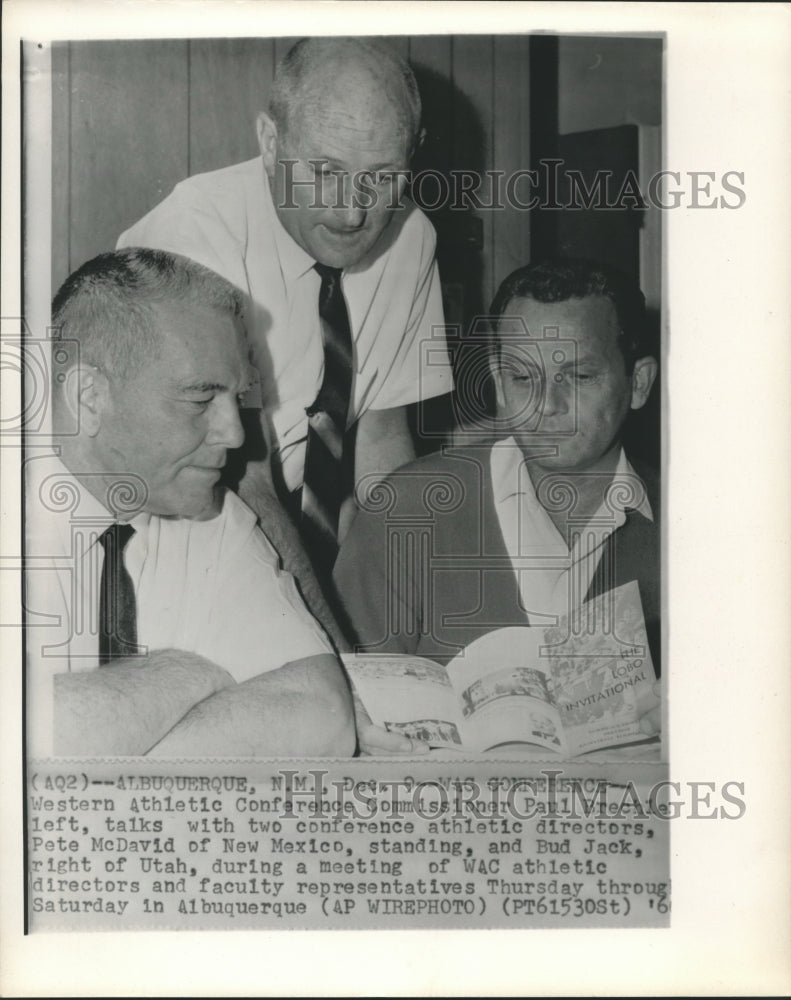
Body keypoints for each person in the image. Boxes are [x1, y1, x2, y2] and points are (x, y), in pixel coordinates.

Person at [117, 36, 453, 614]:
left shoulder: (412, 237)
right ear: (271, 142)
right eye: (324, 171)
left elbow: (383, 437)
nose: (353, 214)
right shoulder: (192, 236)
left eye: (381, 177)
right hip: (171, 535)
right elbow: (241, 477)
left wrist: (407, 614)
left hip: (296, 529)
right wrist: (335, 647)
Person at [26, 248, 354, 758]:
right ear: (89, 397)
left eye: (236, 398)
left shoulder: (212, 514)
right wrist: (191, 671)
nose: (232, 432)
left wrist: (101, 736)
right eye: (201, 399)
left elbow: (324, 714)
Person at [334, 258, 662, 744]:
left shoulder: (700, 530)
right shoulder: (406, 511)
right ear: (496, 379)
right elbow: (349, 720)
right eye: (523, 379)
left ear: (638, 383)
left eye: (579, 376)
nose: (546, 405)